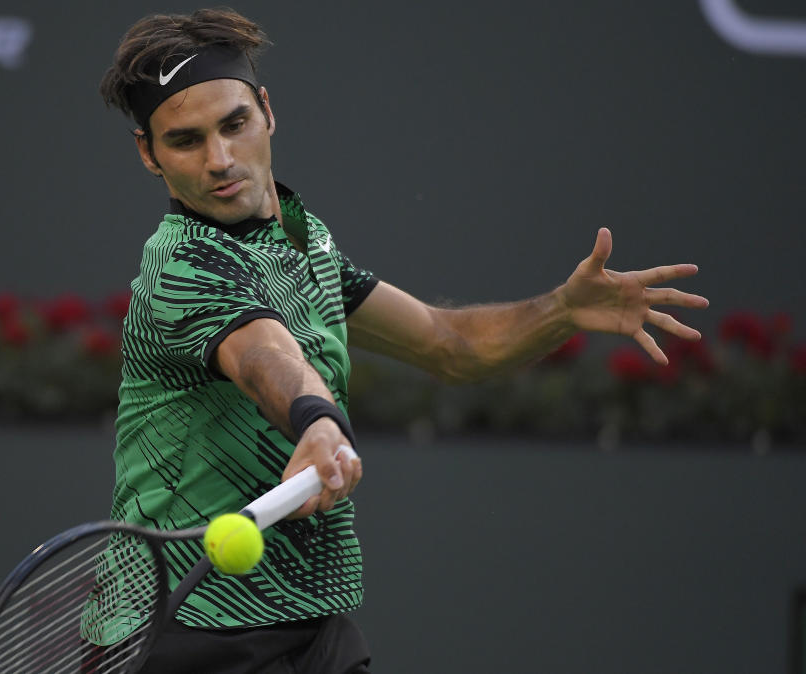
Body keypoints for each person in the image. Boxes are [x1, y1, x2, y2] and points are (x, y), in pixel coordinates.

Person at [98, 9, 708, 673]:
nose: (220, 160)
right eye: (186, 141)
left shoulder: (302, 236)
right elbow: (263, 356)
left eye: (234, 124)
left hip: (307, 619)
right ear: (147, 153)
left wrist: (562, 309)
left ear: (266, 111)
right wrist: (319, 422)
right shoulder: (180, 264)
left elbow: (447, 343)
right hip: (187, 631)